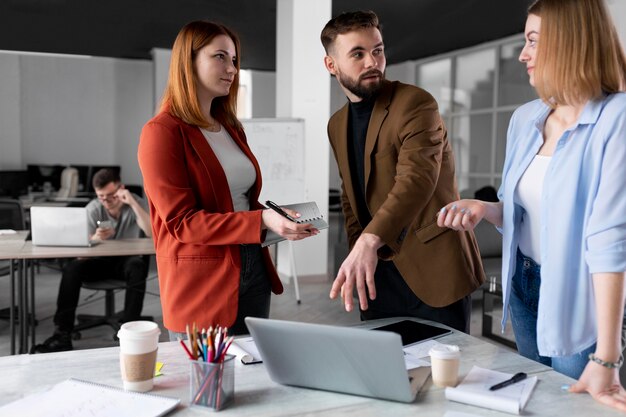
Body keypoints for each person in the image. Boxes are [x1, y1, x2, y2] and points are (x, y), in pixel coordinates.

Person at [437, 0, 626, 410]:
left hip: (579, 295)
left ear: (571, 43)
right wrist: (486, 209)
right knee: (534, 402)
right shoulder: (526, 119)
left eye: (533, 41)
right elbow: (523, 213)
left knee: (573, 407)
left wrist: (607, 358)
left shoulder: (617, 119)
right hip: (523, 284)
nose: (523, 53)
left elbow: (610, 243)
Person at [137, 21, 318, 339]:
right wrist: (261, 220)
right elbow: (182, 223)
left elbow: (238, 200)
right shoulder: (162, 132)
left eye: (234, 60)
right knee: (208, 385)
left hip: (252, 264)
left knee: (253, 375)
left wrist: (277, 220)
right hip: (201, 280)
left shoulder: (231, 128)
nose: (232, 68)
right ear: (188, 62)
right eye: (220, 57)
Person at [320, 11, 485, 332]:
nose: (372, 62)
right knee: (385, 373)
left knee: (441, 378)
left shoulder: (415, 103)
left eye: (378, 50)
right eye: (358, 53)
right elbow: (351, 196)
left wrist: (367, 241)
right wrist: (359, 253)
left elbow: (417, 179)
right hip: (377, 276)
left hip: (434, 269)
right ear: (332, 65)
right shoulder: (336, 124)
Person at [31, 168, 152, 353]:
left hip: (126, 262)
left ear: (121, 188)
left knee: (138, 266)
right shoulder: (93, 208)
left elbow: (152, 233)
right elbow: (81, 254)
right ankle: (62, 333)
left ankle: (130, 332)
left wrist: (134, 203)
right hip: (97, 262)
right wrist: (96, 239)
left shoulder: (135, 202)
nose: (106, 201)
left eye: (111, 196)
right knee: (73, 268)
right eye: (101, 196)